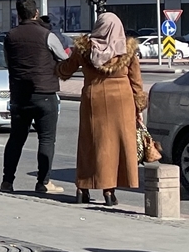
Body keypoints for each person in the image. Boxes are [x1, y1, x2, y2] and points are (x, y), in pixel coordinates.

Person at [57, 12, 146, 206]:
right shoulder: (127, 50)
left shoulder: (84, 49)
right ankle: (109, 191)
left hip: (93, 98)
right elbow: (136, 83)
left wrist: (54, 67)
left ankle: (82, 188)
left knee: (90, 143)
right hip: (122, 102)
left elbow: (66, 70)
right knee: (114, 146)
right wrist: (139, 106)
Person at [1, 0, 69, 194]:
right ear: (36, 13)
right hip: (45, 93)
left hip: (19, 95)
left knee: (16, 139)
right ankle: (43, 182)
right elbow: (64, 58)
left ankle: (7, 181)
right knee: (46, 139)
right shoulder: (46, 35)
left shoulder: (10, 36)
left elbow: (8, 61)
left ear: (18, 14)